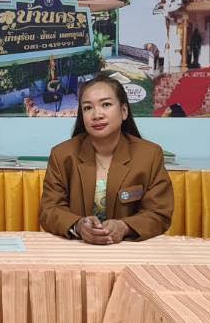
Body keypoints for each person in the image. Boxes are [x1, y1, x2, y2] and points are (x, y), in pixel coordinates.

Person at [39, 73, 174, 244]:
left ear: (124, 111)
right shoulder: (62, 155)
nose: (97, 115)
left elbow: (159, 213)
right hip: (78, 250)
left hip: (129, 251)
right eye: (88, 108)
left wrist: (124, 227)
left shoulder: (149, 155)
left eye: (106, 104)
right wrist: (78, 226)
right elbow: (49, 210)